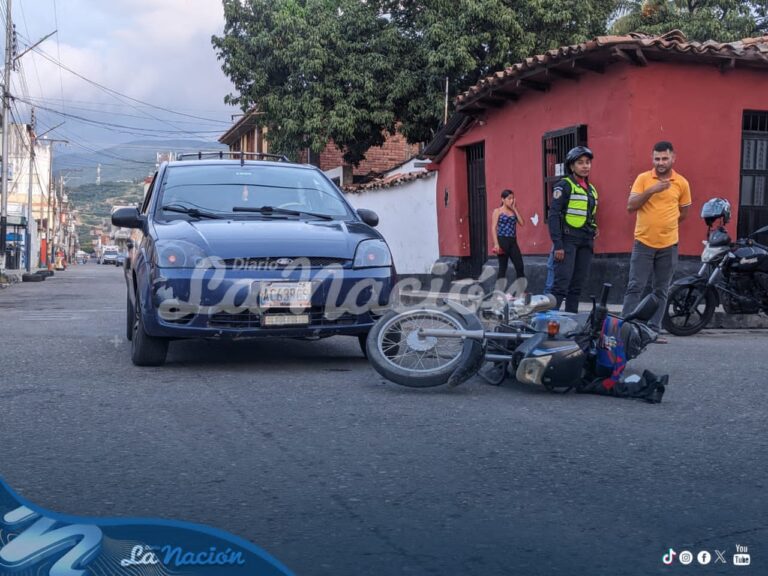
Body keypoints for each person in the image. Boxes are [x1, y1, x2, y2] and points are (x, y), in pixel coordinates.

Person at [622, 141, 691, 340]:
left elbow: (684, 213)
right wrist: (652, 190)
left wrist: (666, 225)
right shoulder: (643, 179)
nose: (660, 162)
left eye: (664, 158)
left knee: (661, 290)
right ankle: (626, 329)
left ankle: (653, 330)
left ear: (673, 158)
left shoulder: (682, 183)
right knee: (635, 286)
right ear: (652, 159)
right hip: (643, 242)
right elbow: (630, 206)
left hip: (669, 245)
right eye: (657, 158)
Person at [547, 146, 598, 312]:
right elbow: (553, 215)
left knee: (576, 287)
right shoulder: (564, 185)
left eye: (588, 162)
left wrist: (594, 227)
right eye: (580, 162)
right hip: (567, 241)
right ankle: (549, 324)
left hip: (585, 241)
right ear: (571, 166)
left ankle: (570, 323)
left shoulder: (591, 190)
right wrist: (558, 244)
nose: (585, 166)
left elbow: (590, 214)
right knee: (561, 285)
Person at [491, 189, 525, 288]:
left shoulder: (513, 211)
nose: (511, 200)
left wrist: (515, 209)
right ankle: (498, 293)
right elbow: (493, 228)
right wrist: (496, 244)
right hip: (502, 241)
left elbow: (522, 223)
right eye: (509, 198)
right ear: (503, 199)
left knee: (520, 266)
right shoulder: (497, 211)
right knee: (503, 268)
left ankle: (521, 292)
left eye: (512, 198)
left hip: (513, 241)